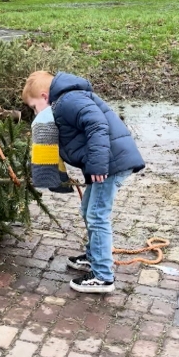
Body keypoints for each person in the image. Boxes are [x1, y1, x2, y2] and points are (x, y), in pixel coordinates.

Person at [22, 71, 145, 293]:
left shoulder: (68, 101)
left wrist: (98, 165)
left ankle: (103, 276)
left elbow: (97, 125)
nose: (35, 112)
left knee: (97, 215)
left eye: (34, 107)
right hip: (107, 163)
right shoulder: (67, 100)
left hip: (110, 164)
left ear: (44, 96)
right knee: (88, 208)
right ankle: (93, 257)